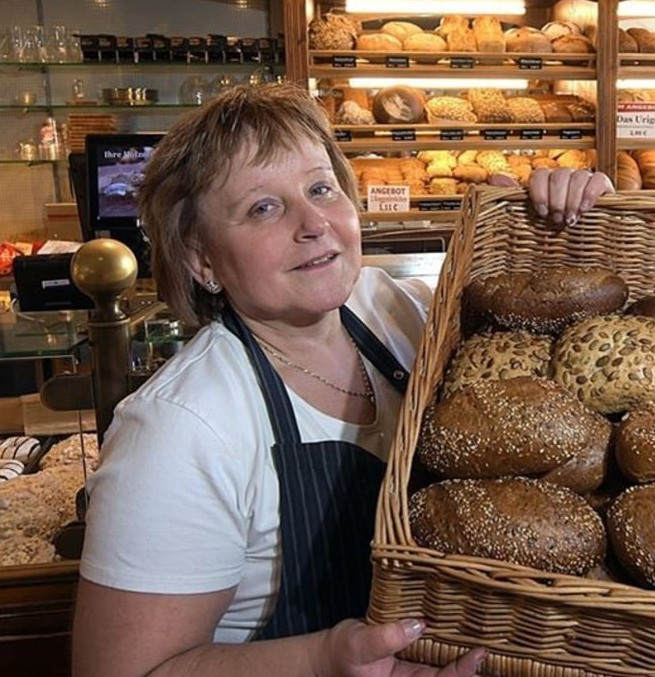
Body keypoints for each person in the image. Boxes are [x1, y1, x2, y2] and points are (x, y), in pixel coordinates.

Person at [71, 83, 612, 676]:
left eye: (321, 188)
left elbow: (551, 341)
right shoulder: (181, 430)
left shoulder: (397, 312)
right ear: (201, 259)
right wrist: (322, 659)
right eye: (263, 208)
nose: (313, 224)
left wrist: (565, 217)